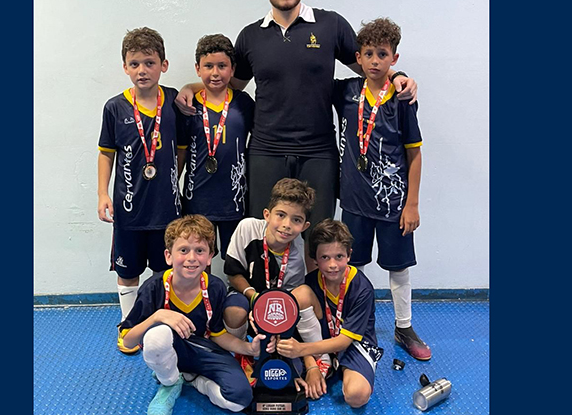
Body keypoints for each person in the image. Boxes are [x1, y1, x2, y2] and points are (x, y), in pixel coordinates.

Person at [176, 0, 418, 270]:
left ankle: (313, 300)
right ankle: (266, 299)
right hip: (266, 150)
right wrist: (191, 87)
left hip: (318, 151)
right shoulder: (250, 36)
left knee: (318, 237)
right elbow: (229, 84)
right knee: (264, 234)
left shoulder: (331, 25)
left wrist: (398, 76)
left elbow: (369, 66)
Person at [332, 17, 430, 360]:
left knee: (398, 267)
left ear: (394, 58)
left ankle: (404, 327)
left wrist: (412, 204)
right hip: (354, 201)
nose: (375, 61)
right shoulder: (345, 92)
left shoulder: (402, 99)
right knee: (351, 266)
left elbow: (414, 154)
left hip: (393, 203)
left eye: (383, 54)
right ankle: (354, 324)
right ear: (358, 57)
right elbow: (309, 80)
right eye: (369, 54)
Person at [118, 215, 275, 415]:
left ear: (209, 257)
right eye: (183, 250)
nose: (191, 257)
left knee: (240, 399)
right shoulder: (153, 288)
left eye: (199, 251)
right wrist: (158, 316)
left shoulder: (215, 287)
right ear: (168, 256)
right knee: (157, 336)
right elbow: (128, 340)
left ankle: (196, 381)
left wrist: (249, 348)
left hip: (203, 350)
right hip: (171, 350)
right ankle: (170, 382)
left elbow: (218, 334)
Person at [97, 26, 187, 354]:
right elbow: (106, 153)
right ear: (125, 67)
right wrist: (102, 194)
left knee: (165, 271)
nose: (142, 70)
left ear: (163, 64)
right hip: (129, 210)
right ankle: (128, 325)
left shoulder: (175, 102)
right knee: (128, 272)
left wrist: (170, 179)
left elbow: (181, 150)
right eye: (134, 64)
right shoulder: (115, 107)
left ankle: (161, 325)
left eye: (149, 63)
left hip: (166, 211)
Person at [221, 178, 331, 384]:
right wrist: (254, 298)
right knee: (234, 310)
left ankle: (318, 358)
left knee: (303, 294)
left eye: (296, 220)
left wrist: (278, 329)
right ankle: (242, 353)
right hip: (247, 297)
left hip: (276, 310)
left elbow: (290, 303)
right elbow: (233, 274)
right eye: (281, 215)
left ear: (305, 226)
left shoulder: (297, 255)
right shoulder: (247, 228)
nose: (286, 225)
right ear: (267, 214)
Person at [276, 219, 383, 408]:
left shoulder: (362, 288)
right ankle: (324, 361)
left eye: (339, 256)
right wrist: (311, 365)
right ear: (315, 259)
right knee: (299, 295)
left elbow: (344, 341)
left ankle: (342, 367)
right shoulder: (310, 281)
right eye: (325, 257)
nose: (332, 264)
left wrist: (301, 350)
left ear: (349, 255)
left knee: (357, 396)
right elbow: (298, 332)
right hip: (320, 338)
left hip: (353, 343)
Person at [180, 34, 254, 260]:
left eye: (222, 66)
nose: (215, 73)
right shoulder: (188, 105)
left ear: (232, 69)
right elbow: (181, 150)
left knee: (235, 260)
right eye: (208, 66)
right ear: (197, 68)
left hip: (234, 198)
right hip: (198, 198)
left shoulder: (244, 103)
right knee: (200, 259)